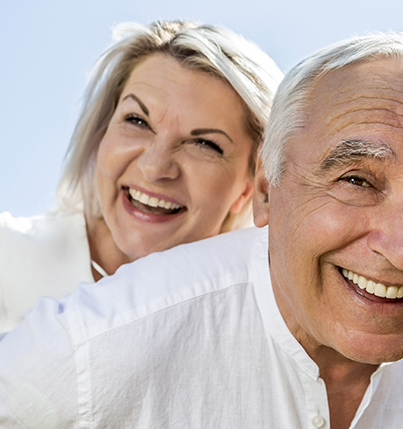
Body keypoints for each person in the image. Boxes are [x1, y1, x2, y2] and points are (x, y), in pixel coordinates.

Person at [0, 31, 403, 429]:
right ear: (266, 189)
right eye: (355, 179)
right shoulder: (90, 338)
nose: (154, 167)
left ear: (245, 187)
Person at [0, 19, 283, 332]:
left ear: (251, 187)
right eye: (136, 121)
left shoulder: (253, 329)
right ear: (102, 133)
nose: (155, 167)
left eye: (204, 144)